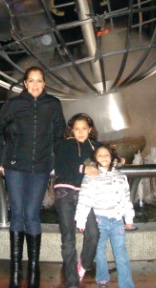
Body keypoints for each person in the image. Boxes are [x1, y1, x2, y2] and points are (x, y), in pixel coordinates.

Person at [0, 66, 66, 288]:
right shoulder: (14, 104)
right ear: (24, 83)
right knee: (17, 214)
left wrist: (57, 157)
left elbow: (60, 133)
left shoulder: (53, 104)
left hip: (40, 168)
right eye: (31, 81)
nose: (35, 85)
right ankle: (15, 269)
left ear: (44, 83)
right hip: (14, 166)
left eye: (39, 81)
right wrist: (2, 157)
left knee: (32, 214)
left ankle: (33, 268)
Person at [75, 145, 135, 288]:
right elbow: (84, 199)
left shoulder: (120, 176)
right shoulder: (91, 176)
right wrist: (81, 221)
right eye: (100, 155)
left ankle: (126, 284)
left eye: (106, 154)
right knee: (99, 251)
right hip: (99, 219)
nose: (103, 157)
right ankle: (102, 280)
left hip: (117, 220)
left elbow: (126, 198)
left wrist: (129, 218)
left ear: (112, 157)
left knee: (121, 253)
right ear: (95, 159)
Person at [54, 113, 103, 287]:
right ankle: (72, 281)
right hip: (65, 193)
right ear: (71, 130)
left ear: (90, 129)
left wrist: (118, 159)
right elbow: (59, 166)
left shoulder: (96, 147)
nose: (80, 132)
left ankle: (84, 264)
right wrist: (83, 169)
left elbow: (107, 158)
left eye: (84, 128)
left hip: (86, 195)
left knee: (93, 234)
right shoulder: (63, 144)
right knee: (68, 239)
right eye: (77, 129)